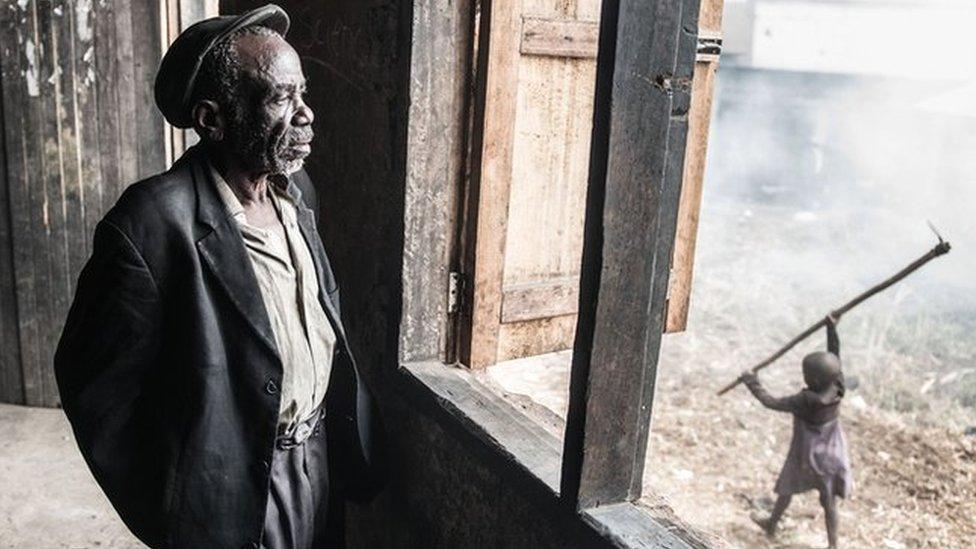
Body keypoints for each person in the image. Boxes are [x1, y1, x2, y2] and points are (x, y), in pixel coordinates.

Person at [54, 5, 384, 548]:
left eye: (302, 93)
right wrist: (174, 506)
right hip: (235, 488)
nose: (306, 115)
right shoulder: (149, 224)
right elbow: (94, 389)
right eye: (280, 98)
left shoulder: (297, 194)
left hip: (319, 462)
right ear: (213, 119)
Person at [740, 314, 852, 549]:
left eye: (805, 374)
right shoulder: (838, 385)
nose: (803, 376)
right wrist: (832, 331)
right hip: (833, 452)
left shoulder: (806, 400)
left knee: (787, 487)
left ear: (812, 379)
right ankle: (833, 546)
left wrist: (752, 382)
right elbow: (836, 357)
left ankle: (771, 523)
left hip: (807, 453)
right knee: (829, 500)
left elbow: (770, 401)